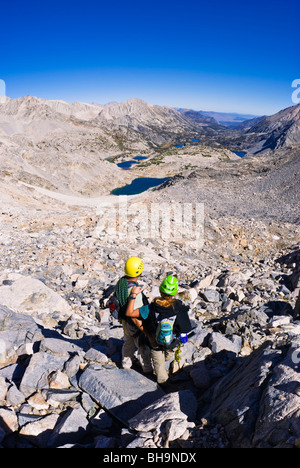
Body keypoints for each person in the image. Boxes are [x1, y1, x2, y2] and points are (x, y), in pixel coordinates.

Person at [127, 275, 192, 386]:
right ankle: (167, 355)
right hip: (171, 341)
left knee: (159, 365)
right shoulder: (179, 308)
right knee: (167, 354)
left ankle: (164, 383)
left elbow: (130, 313)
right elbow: (185, 328)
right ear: (175, 292)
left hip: (154, 341)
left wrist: (133, 296)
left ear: (161, 290)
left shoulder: (151, 307)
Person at [115, 256, 152, 373]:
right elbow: (135, 313)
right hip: (135, 323)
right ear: (139, 271)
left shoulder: (121, 283)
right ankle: (147, 369)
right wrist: (144, 329)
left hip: (125, 322)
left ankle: (126, 364)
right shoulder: (135, 292)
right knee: (142, 346)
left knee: (128, 343)